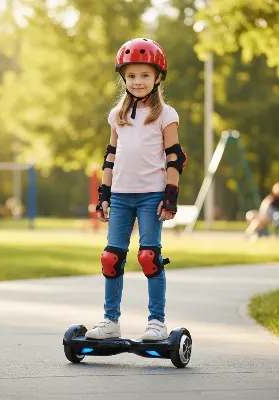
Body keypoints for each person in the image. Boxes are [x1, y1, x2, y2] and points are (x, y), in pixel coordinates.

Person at [85, 38, 187, 341]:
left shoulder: (165, 114)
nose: (138, 81)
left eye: (144, 75)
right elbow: (110, 157)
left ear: (157, 77)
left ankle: (156, 322)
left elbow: (175, 157)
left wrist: (171, 194)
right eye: (131, 76)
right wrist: (104, 195)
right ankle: (110, 320)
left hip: (152, 196)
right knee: (111, 258)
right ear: (123, 78)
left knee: (149, 257)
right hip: (120, 196)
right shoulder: (117, 116)